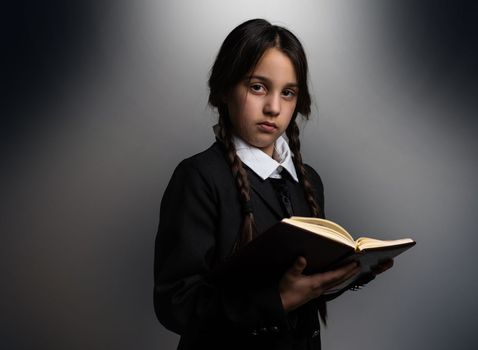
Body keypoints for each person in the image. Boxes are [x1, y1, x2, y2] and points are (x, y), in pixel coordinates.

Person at [154, 18, 392, 350]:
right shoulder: (199, 177)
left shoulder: (308, 180)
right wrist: (276, 301)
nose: (274, 108)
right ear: (225, 89)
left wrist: (353, 271)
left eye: (288, 93)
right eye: (257, 87)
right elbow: (175, 304)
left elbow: (304, 287)